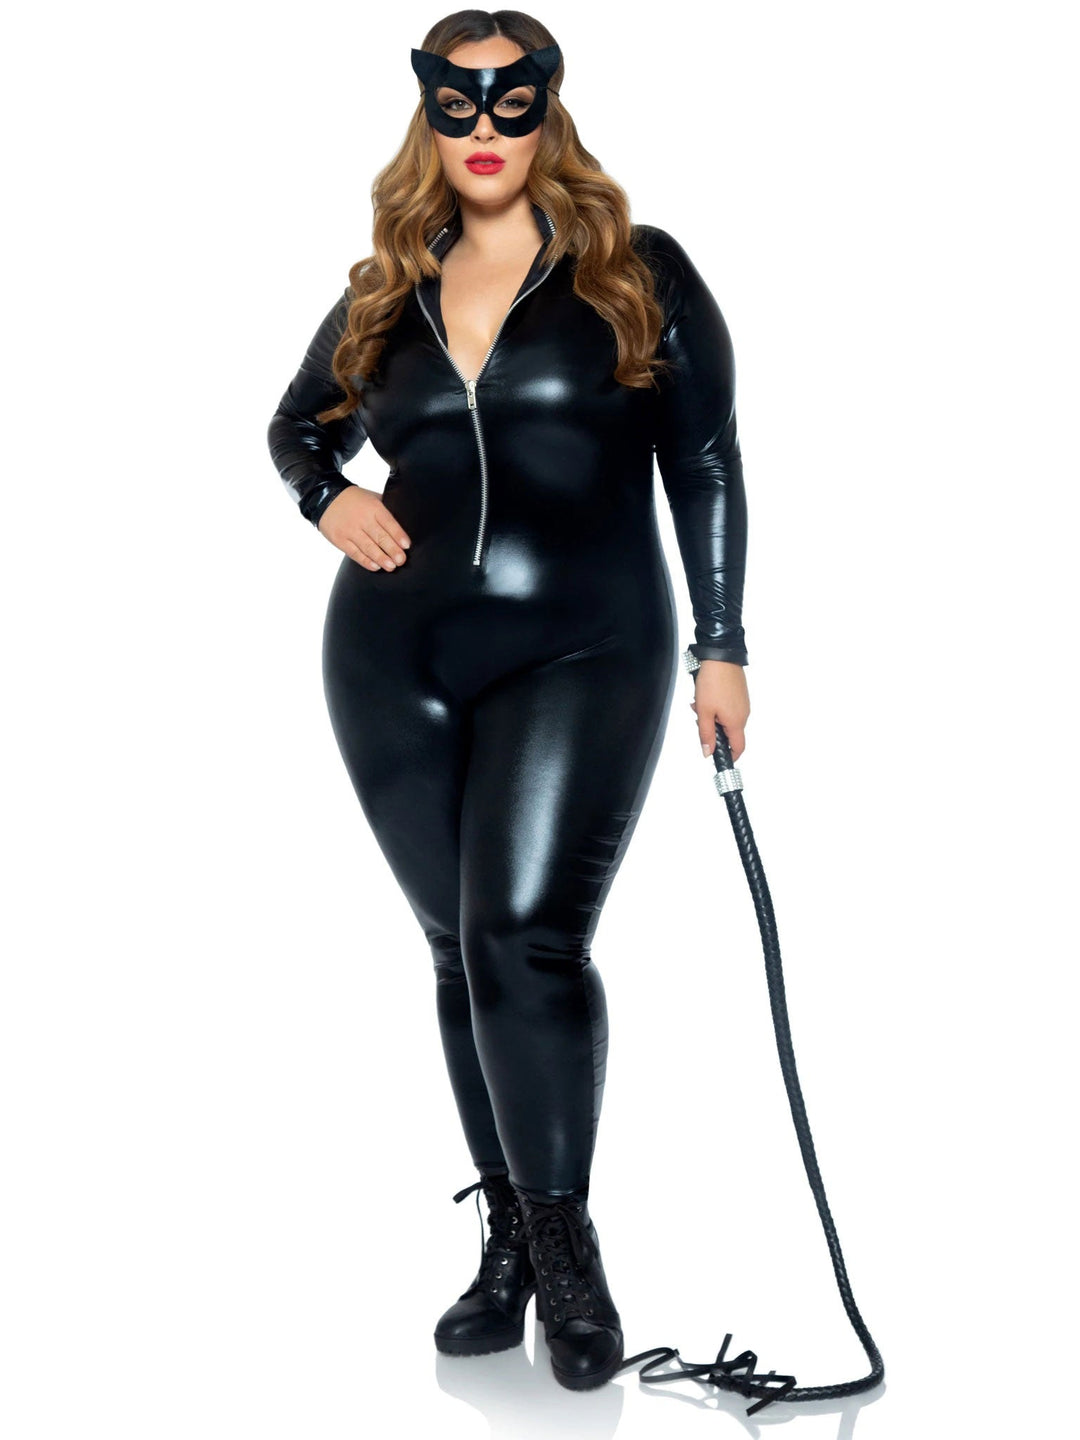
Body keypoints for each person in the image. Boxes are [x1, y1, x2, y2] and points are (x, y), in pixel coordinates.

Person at [266, 10, 750, 1393]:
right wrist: (326, 493)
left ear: (550, 109)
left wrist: (721, 642)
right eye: (457, 106)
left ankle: (568, 1253)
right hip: (392, 659)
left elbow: (705, 461)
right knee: (456, 949)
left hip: (585, 650)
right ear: (427, 114)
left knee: (525, 938)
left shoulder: (635, 271)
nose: (483, 132)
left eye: (510, 103)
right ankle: (510, 1247)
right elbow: (293, 425)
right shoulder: (389, 287)